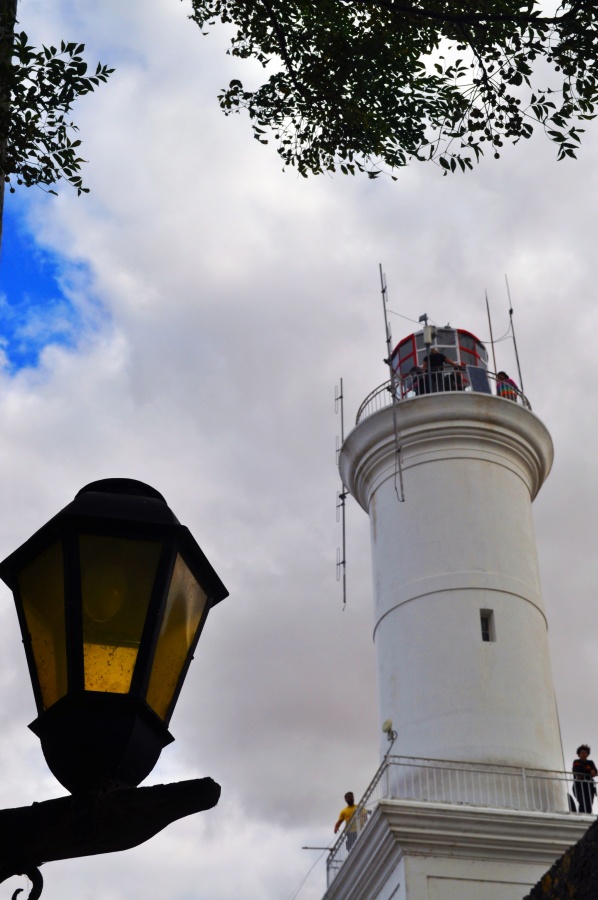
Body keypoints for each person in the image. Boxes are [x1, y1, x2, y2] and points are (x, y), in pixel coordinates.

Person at [572, 744, 597, 813]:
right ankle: (581, 817)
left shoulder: (590, 762)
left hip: (589, 786)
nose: (584, 754)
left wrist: (587, 771)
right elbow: (577, 771)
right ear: (579, 754)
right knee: (582, 803)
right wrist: (589, 771)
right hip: (578, 786)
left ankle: (589, 819)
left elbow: (595, 772)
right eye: (582, 753)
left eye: (586, 753)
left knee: (589, 805)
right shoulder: (576, 762)